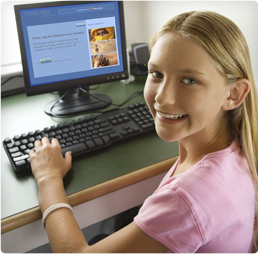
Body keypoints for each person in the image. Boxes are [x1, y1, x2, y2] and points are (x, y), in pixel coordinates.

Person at [29, 11, 258, 253]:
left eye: (189, 80)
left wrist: (48, 179)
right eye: (157, 74)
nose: (162, 97)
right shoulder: (240, 147)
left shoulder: (187, 199)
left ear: (234, 94)